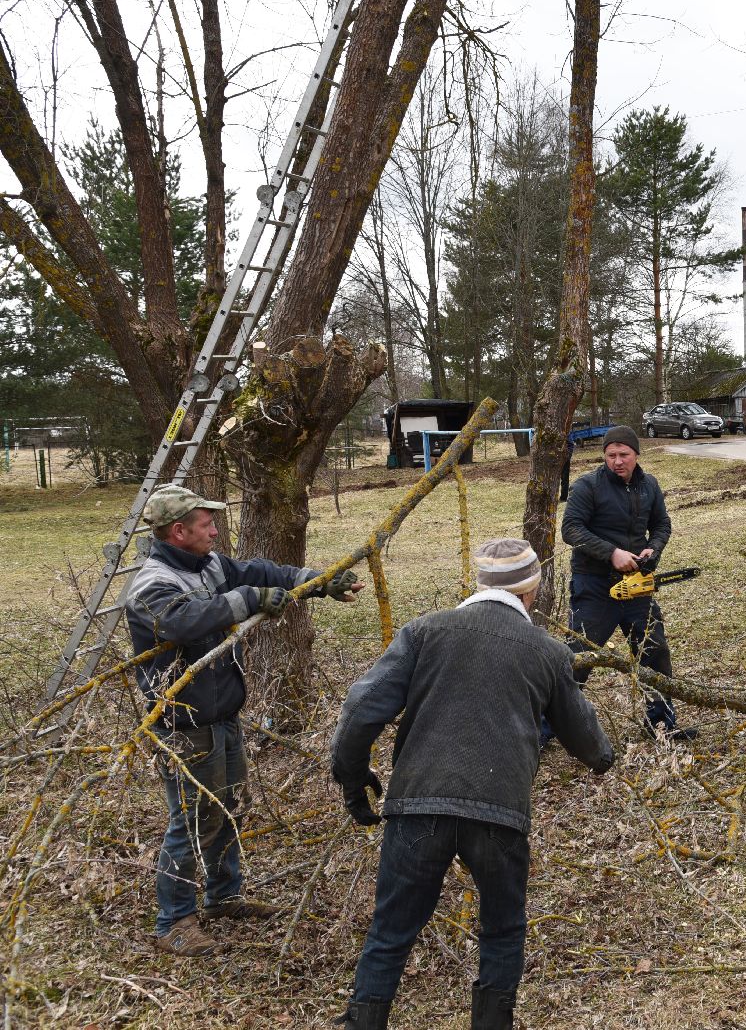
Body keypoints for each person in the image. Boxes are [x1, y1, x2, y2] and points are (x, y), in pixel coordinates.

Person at [331, 538, 614, 1030]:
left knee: (392, 930)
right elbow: (587, 739)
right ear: (533, 591)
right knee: (502, 929)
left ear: (479, 583)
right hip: (499, 811)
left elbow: (359, 712)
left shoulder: (424, 632)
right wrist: (603, 759)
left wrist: (354, 783)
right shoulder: (548, 653)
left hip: (419, 805)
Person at [123, 483, 363, 957]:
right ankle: (173, 919)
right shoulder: (151, 586)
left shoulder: (208, 563)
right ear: (178, 531)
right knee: (193, 819)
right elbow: (190, 619)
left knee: (228, 806)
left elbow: (258, 571)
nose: (215, 530)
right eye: (206, 524)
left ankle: (223, 898)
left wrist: (317, 581)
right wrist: (251, 599)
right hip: (185, 724)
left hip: (222, 713)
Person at [561, 425, 694, 741]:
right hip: (594, 586)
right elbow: (571, 529)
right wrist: (611, 553)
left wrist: (654, 549)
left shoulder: (649, 485)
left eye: (623, 455)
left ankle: (661, 724)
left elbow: (661, 524)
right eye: (611, 455)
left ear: (636, 454)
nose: (617, 461)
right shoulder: (587, 486)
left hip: (637, 584)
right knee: (579, 657)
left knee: (655, 650)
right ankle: (546, 727)